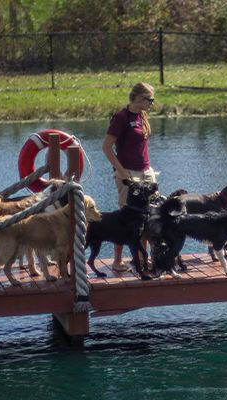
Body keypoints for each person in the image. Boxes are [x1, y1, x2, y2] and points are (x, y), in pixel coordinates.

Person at [101, 82, 157, 271]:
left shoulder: (143, 116)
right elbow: (106, 148)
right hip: (128, 174)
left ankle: (141, 258)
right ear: (139, 98)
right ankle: (117, 261)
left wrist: (148, 171)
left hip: (146, 172)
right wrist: (122, 172)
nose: (152, 103)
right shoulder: (121, 117)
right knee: (126, 217)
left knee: (146, 217)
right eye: (150, 99)